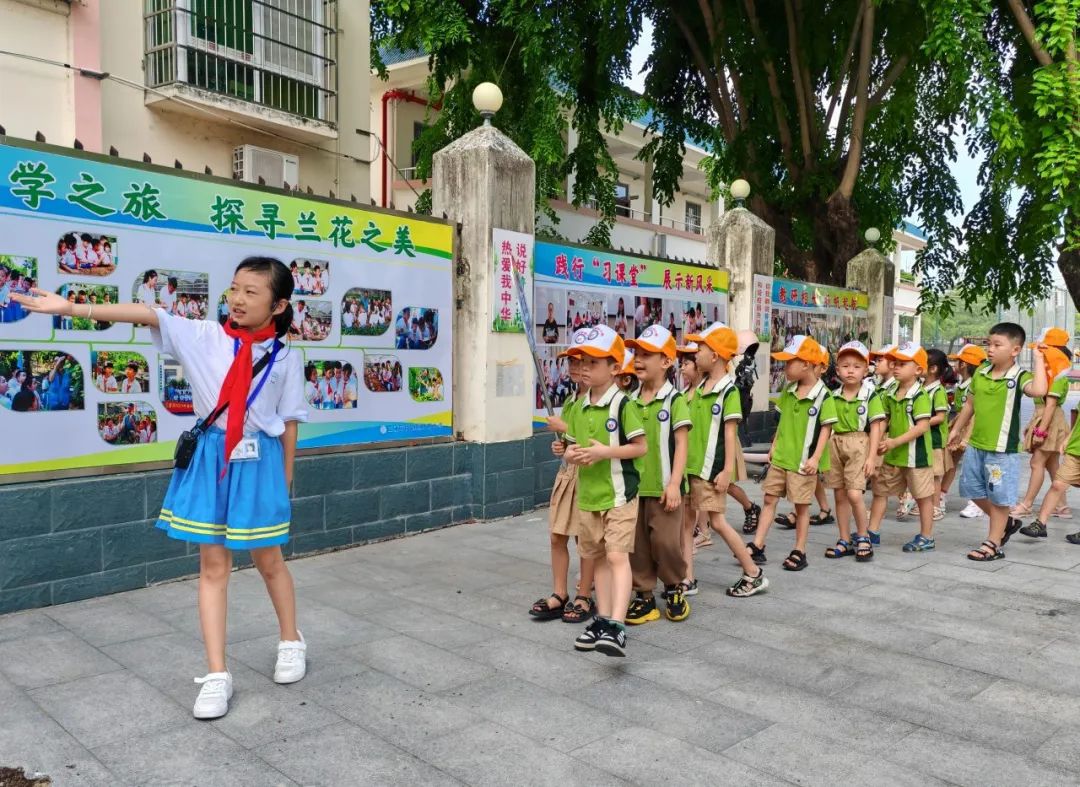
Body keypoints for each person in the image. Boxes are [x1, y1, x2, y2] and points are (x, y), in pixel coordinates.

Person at [13, 256, 310, 720]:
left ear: (278, 305)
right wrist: (71, 308)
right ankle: (217, 675)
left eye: (251, 292)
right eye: (234, 288)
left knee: (269, 559)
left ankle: (291, 640)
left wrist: (287, 478)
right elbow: (150, 314)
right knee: (213, 565)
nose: (237, 299)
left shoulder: (286, 358)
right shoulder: (205, 337)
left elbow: (289, 422)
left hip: (260, 460)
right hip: (212, 457)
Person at [562, 325, 647, 657]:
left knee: (615, 555)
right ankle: (603, 619)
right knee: (596, 556)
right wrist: (574, 454)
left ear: (614, 368)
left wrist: (603, 452)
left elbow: (639, 448)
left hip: (619, 495)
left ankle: (617, 625)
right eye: (583, 360)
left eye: (594, 362)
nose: (585, 367)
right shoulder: (580, 406)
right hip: (589, 496)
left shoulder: (623, 405)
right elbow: (571, 448)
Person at [948, 323, 1048, 560]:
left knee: (1000, 498)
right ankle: (1007, 522)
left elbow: (1039, 389)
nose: (990, 349)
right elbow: (970, 404)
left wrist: (1039, 358)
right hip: (976, 445)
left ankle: (993, 543)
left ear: (1015, 350)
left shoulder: (1018, 376)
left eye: (997, 345)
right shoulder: (981, 372)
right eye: (988, 344)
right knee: (971, 490)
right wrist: (957, 429)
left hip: (1002, 451)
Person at [684, 322, 770, 593]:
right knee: (686, 524)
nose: (695, 353)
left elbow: (730, 435)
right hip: (692, 467)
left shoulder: (728, 391)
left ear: (716, 355)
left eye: (701, 348)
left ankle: (753, 572)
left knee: (718, 522)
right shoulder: (701, 388)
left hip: (711, 469)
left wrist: (726, 471)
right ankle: (687, 579)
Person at [749, 335, 836, 572]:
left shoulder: (823, 396)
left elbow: (826, 430)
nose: (784, 367)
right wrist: (774, 445)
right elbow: (783, 420)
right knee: (769, 498)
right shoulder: (789, 390)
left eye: (789, 362)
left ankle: (800, 550)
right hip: (781, 457)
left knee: (801, 507)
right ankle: (758, 545)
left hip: (802, 462)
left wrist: (816, 458)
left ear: (806, 364)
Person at [623, 325, 692, 623]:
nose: (638, 359)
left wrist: (675, 483)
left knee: (666, 542)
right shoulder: (629, 402)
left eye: (646, 354)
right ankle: (644, 596)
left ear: (666, 361)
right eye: (636, 353)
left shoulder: (674, 401)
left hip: (666, 488)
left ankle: (675, 587)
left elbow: (682, 444)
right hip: (635, 489)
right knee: (636, 545)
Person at [533, 328, 597, 624]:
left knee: (587, 540)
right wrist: (562, 444)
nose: (575, 367)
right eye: (571, 361)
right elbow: (571, 443)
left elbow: (598, 443)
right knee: (557, 536)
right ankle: (560, 593)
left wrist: (567, 431)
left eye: (582, 361)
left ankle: (584, 595)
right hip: (567, 476)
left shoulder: (602, 402)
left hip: (590, 477)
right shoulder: (572, 400)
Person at [865, 343, 937, 551]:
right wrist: (879, 438)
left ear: (918, 370)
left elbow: (922, 427)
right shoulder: (891, 392)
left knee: (923, 497)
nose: (896, 367)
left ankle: (926, 536)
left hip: (917, 457)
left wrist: (893, 441)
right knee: (880, 491)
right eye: (895, 363)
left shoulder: (920, 395)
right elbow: (884, 418)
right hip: (893, 454)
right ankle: (872, 531)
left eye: (902, 364)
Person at [825, 341, 885, 561]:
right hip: (836, 444)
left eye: (857, 366)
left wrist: (872, 457)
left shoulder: (870, 395)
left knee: (854, 494)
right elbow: (827, 426)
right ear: (838, 369)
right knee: (840, 494)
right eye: (845, 365)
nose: (850, 370)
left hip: (859, 443)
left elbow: (877, 426)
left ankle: (863, 535)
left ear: (866, 369)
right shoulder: (832, 395)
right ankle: (843, 539)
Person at [1013, 327, 1072, 518]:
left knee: (1036, 463)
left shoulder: (1057, 374)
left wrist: (1040, 432)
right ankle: (1062, 507)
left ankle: (1027, 504)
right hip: (1048, 419)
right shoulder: (1052, 372)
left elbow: (1050, 406)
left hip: (1050, 420)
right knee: (1051, 464)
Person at [945, 344, 988, 519]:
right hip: (961, 426)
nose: (954, 365)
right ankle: (941, 495)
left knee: (974, 466)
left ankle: (976, 503)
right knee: (950, 460)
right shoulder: (963, 384)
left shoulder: (977, 383)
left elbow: (975, 413)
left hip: (974, 429)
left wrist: (967, 437)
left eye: (957, 362)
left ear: (964, 364)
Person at [924, 349, 953, 521]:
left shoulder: (938, 391)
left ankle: (935, 507)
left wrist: (920, 424)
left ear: (933, 368)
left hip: (934, 440)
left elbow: (941, 417)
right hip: (925, 438)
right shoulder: (923, 388)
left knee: (935, 475)